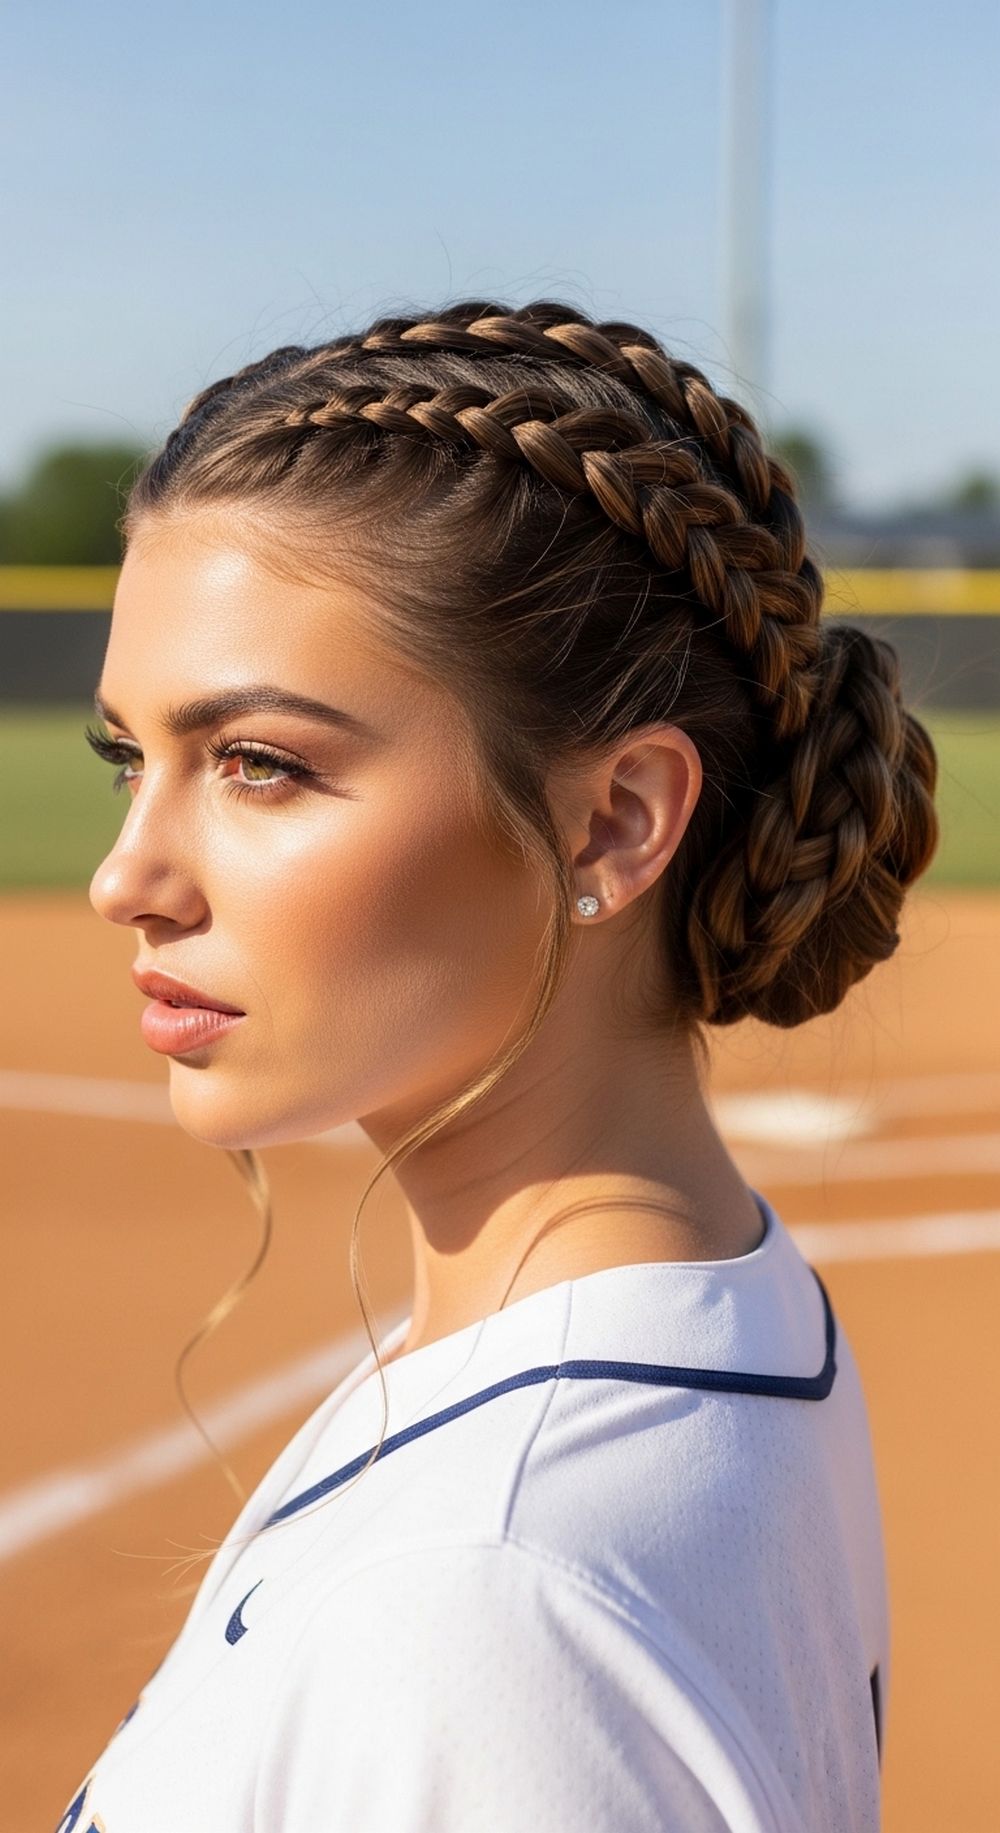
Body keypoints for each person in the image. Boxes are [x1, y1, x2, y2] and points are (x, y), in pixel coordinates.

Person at [61, 299, 938, 1832]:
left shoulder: (488, 1601)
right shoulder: (708, 1292)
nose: (127, 876)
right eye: (131, 758)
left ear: (614, 822)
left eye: (260, 762)